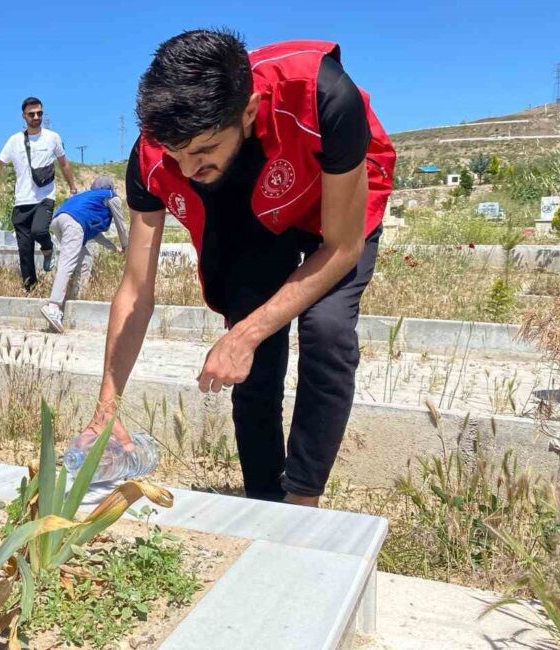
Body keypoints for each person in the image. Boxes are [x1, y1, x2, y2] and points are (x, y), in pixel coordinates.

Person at [82, 29, 395, 506]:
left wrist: (241, 336)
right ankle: (265, 499)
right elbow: (135, 288)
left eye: (202, 153)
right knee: (252, 350)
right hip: (253, 205)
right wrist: (108, 404)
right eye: (175, 156)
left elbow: (342, 247)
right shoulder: (154, 154)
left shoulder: (324, 96)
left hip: (335, 198)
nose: (186, 171)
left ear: (248, 112)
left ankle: (302, 500)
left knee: (327, 330)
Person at [0, 97, 79, 292]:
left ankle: (48, 249)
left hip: (45, 196)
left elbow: (64, 164)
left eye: (39, 113)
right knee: (24, 250)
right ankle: (30, 287)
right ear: (23, 116)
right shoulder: (14, 140)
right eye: (32, 114)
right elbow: (0, 162)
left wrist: (72, 187)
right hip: (22, 200)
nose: (36, 117)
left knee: (39, 231)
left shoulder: (52, 138)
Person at [40, 176, 128, 333]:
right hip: (73, 223)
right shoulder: (111, 196)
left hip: (59, 220)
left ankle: (76, 298)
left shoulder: (88, 199)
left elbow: (94, 234)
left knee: (85, 259)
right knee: (67, 262)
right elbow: (121, 225)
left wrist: (115, 248)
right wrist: (126, 246)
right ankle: (53, 306)